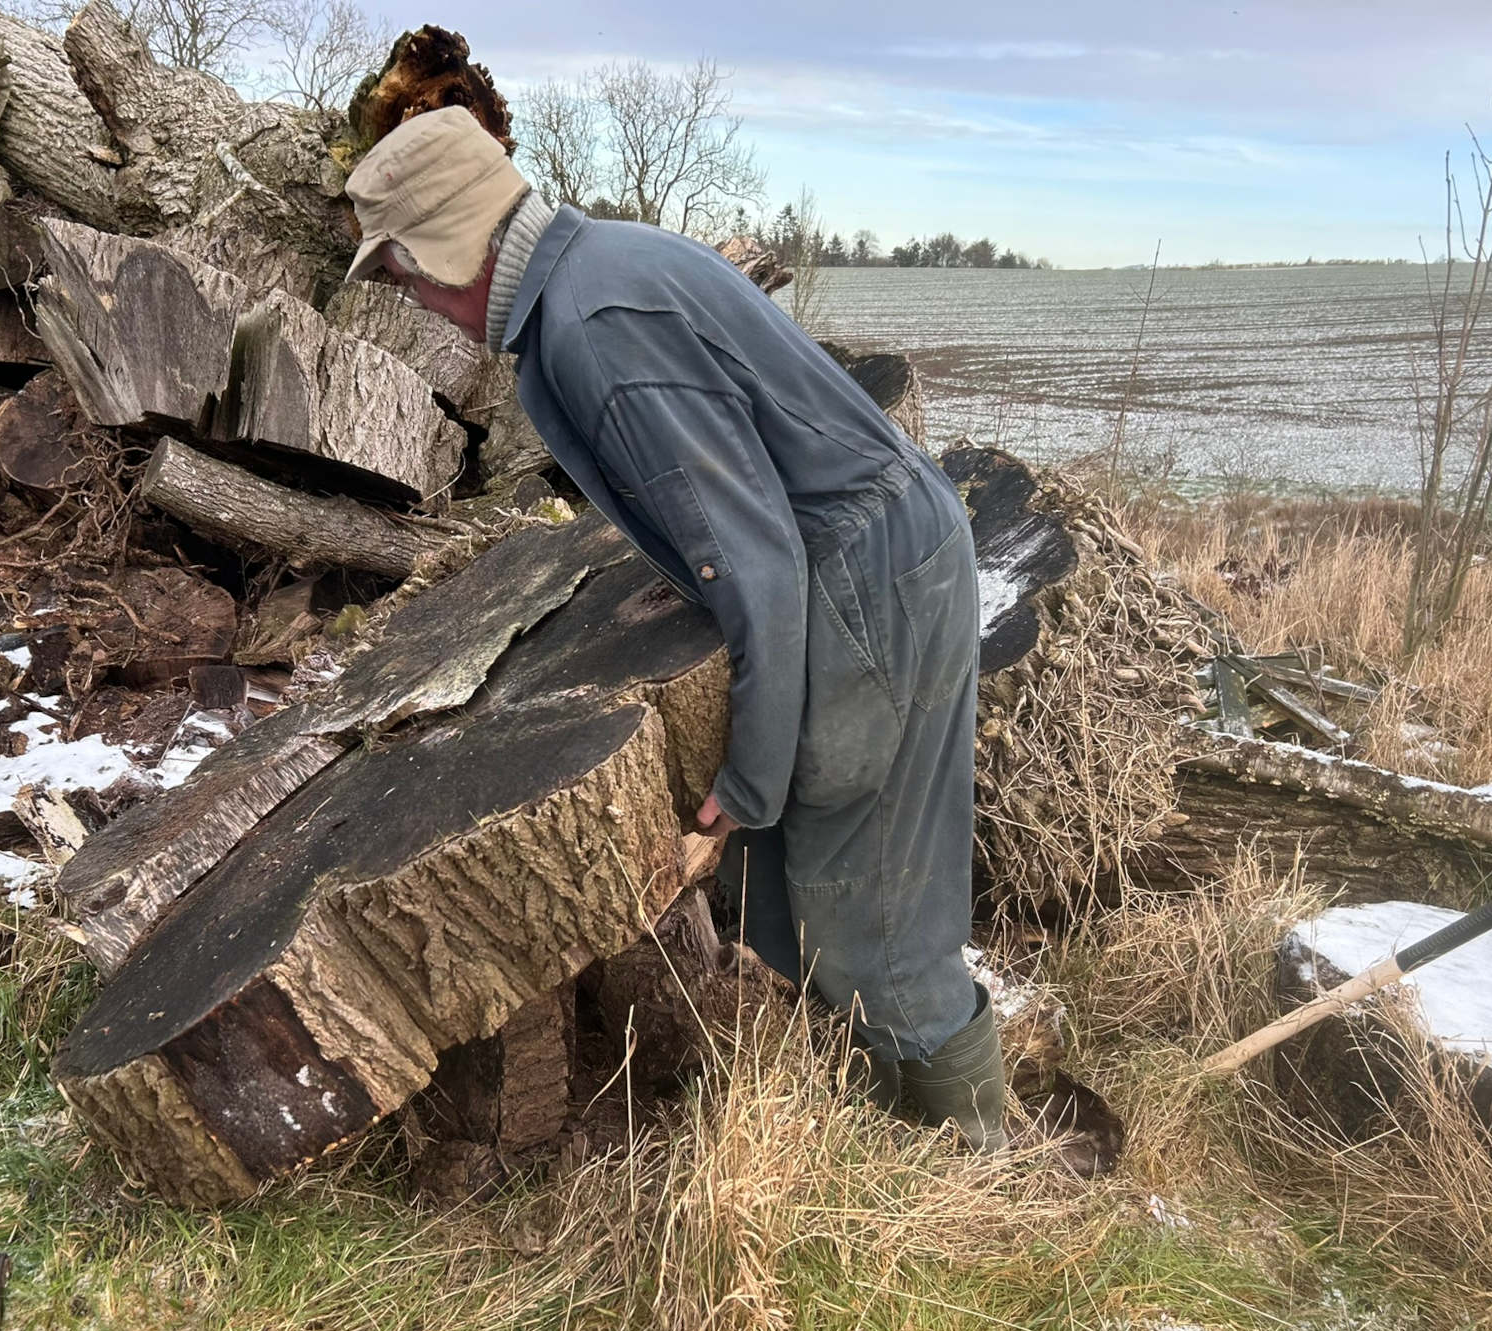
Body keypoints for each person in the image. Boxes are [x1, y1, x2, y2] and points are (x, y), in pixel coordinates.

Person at [342, 106, 1004, 1150]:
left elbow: (760, 563)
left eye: (403, 277)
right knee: (818, 887)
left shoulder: (600, 331)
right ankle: (883, 1128)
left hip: (865, 580)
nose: (415, 302)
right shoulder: (601, 267)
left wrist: (749, 782)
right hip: (872, 558)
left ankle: (974, 1170)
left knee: (871, 912)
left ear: (446, 250)